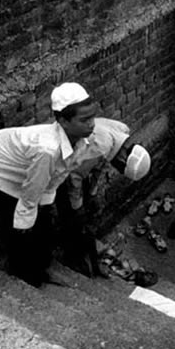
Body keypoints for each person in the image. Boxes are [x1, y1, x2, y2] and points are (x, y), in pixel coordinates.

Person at [0, 82, 98, 287]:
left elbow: (56, 178)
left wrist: (45, 209)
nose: (92, 124)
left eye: (93, 117)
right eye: (85, 120)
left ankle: (40, 266)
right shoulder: (47, 151)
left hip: (28, 167)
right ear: (62, 121)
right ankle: (26, 273)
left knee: (44, 224)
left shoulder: (80, 139)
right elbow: (30, 197)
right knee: (19, 226)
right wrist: (25, 228)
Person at [57, 117, 151, 277]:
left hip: (79, 159)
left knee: (83, 213)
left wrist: (92, 192)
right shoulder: (102, 145)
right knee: (71, 214)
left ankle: (83, 247)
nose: (116, 168)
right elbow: (75, 176)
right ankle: (71, 256)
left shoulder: (122, 131)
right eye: (120, 168)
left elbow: (100, 163)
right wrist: (77, 207)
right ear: (122, 160)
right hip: (61, 161)